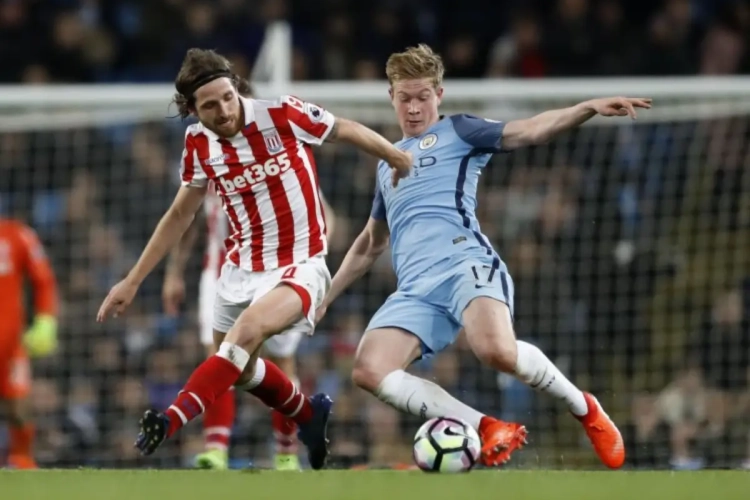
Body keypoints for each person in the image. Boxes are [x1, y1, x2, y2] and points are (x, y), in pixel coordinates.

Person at [317, 44, 651, 469]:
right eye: (405, 98)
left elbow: (529, 130)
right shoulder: (388, 164)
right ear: (391, 97)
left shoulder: (460, 130)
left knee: (496, 351)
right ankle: (488, 426)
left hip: (464, 264)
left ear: (439, 94)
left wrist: (585, 108)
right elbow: (370, 242)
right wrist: (325, 297)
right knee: (369, 369)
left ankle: (584, 407)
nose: (414, 108)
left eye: (423, 97)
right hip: (416, 288)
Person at [97, 48, 412, 471]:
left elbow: (344, 128)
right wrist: (133, 279)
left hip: (300, 263)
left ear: (236, 88)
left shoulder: (281, 114)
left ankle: (173, 422)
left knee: (241, 339)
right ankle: (307, 414)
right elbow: (180, 214)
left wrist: (394, 155)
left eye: (228, 97)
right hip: (240, 268)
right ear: (192, 110)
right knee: (240, 370)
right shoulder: (198, 144)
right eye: (210, 105)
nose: (224, 110)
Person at [163, 177, 338, 471]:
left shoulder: (281, 159)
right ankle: (216, 450)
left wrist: (314, 264)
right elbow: (187, 217)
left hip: (278, 274)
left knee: (281, 360)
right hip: (221, 275)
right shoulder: (207, 163)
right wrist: (174, 272)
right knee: (220, 356)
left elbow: (325, 216)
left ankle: (286, 453)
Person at [0, 218, 58, 469]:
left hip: (11, 347)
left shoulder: (17, 234)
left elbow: (43, 279)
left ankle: (22, 461)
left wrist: (46, 319)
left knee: (19, 410)